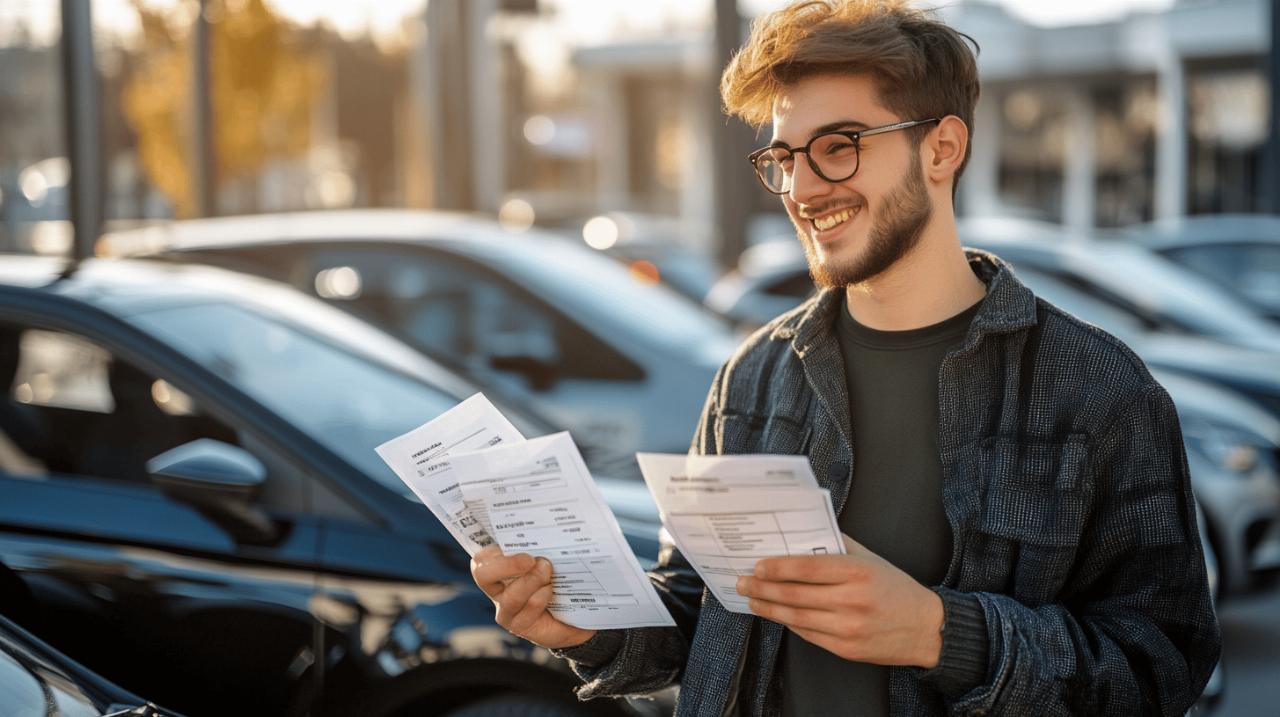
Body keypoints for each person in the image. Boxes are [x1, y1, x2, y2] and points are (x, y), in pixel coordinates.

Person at [470, 1, 1221, 714]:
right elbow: (705, 614)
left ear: (942, 147)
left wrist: (938, 631)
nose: (800, 187)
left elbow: (1161, 669)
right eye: (784, 157)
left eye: (837, 147)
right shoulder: (755, 375)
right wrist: (587, 623)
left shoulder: (1097, 390)